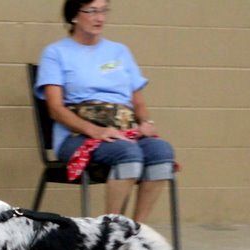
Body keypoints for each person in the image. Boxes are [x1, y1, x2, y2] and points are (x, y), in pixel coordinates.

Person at [35, 0, 175, 223]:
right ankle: (110, 229)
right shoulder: (56, 53)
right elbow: (55, 109)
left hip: (123, 131)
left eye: (103, 11)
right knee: (128, 154)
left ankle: (136, 231)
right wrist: (95, 131)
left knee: (161, 152)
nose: (99, 18)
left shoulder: (119, 51)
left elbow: (138, 102)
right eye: (91, 11)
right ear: (74, 16)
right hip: (78, 136)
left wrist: (146, 122)